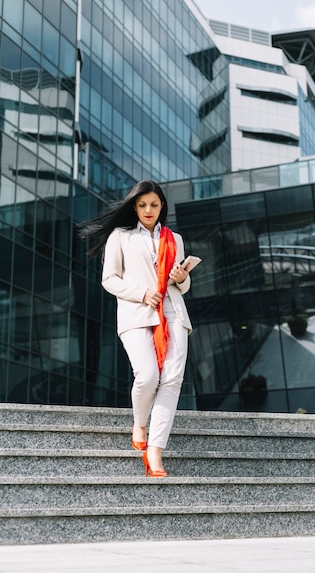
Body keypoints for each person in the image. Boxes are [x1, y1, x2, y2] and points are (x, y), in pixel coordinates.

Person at [79, 180, 192, 477]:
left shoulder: (174, 239)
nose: (148, 210)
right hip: (136, 313)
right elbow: (110, 279)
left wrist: (181, 276)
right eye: (142, 205)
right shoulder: (121, 236)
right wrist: (142, 293)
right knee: (147, 375)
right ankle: (140, 423)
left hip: (173, 312)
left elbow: (184, 285)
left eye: (154, 205)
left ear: (162, 206)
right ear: (134, 207)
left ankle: (155, 452)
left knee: (172, 381)